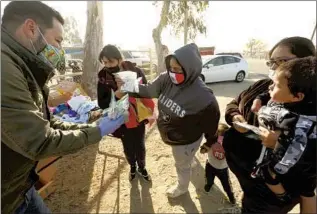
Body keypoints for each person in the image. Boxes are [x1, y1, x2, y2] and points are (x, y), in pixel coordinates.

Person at [1, 2, 124, 213]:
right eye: (58, 40)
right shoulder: (4, 69)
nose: (60, 49)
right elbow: (39, 140)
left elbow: (45, 121)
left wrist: (89, 121)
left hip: (19, 188)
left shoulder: (20, 65)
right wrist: (97, 131)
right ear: (31, 29)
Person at [222, 37, 316, 213]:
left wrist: (278, 144)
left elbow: (309, 166)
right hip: (249, 180)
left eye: (282, 61)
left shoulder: (308, 107)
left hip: (270, 197)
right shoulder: (266, 86)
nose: (275, 68)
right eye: (272, 62)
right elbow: (234, 103)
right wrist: (235, 118)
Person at [115, 43, 220, 198]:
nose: (173, 72)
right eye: (171, 68)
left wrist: (210, 142)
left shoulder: (205, 98)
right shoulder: (166, 79)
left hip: (185, 141)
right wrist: (127, 86)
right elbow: (149, 90)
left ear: (190, 68)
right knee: (185, 160)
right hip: (172, 136)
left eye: (178, 69)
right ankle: (189, 160)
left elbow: (211, 126)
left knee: (181, 165)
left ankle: (182, 187)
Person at [253, 56, 317, 204]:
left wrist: (274, 163)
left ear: (297, 96)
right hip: (307, 164)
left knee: (266, 172)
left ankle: (282, 196)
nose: (270, 87)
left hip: (299, 164)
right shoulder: (306, 102)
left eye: (275, 85)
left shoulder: (293, 122)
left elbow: (286, 158)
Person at [97, 45, 155, 182]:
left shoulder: (135, 71)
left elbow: (147, 92)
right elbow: (102, 103)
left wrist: (133, 86)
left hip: (138, 116)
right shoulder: (103, 77)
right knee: (128, 147)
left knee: (140, 145)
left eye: (110, 62)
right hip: (120, 120)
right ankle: (132, 167)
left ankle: (142, 167)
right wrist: (116, 94)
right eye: (104, 62)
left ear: (119, 59)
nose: (107, 66)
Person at [200, 123, 236, 204]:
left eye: (221, 137)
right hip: (210, 166)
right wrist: (205, 147)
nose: (219, 140)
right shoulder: (211, 143)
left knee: (226, 186)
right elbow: (202, 151)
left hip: (223, 170)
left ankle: (231, 196)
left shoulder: (229, 146)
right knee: (208, 179)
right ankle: (209, 185)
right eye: (217, 137)